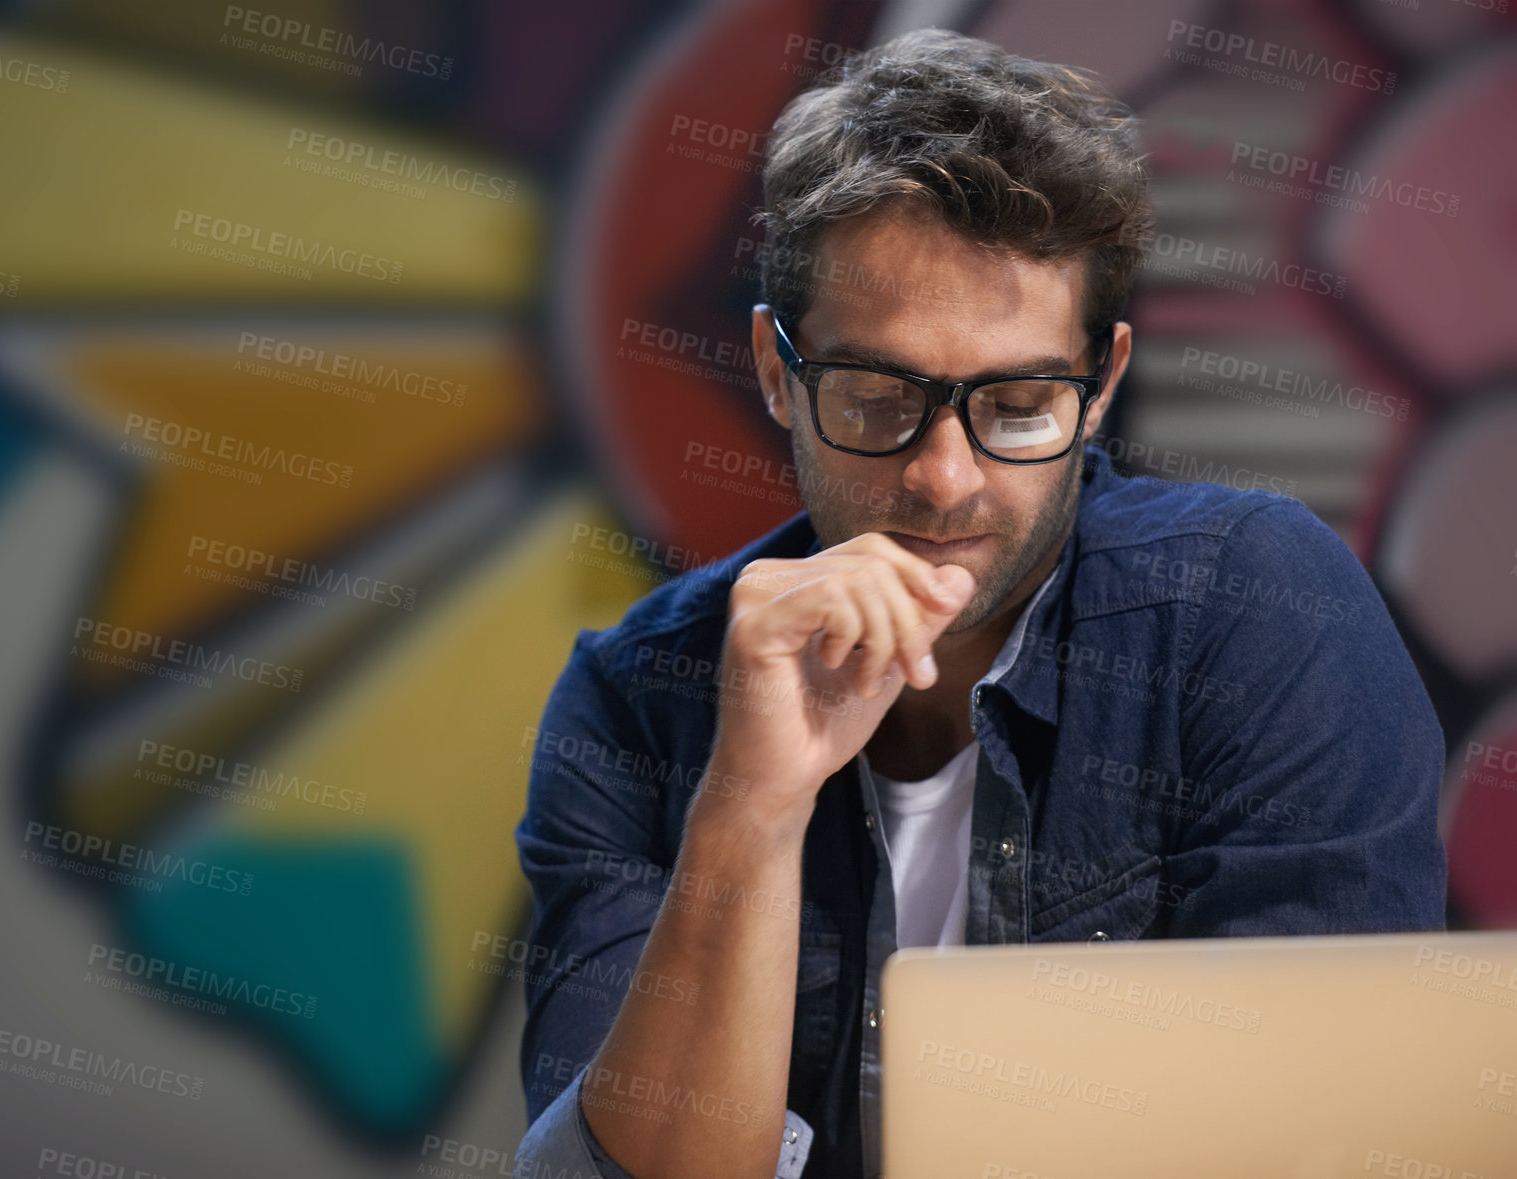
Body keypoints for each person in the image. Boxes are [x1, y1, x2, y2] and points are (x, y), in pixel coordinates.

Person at [511, 28, 1445, 1179]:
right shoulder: (632, 703)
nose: (943, 480)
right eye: (876, 395)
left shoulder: (1253, 613)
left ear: (1098, 386)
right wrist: (751, 805)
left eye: (1015, 405)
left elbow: (1341, 1131)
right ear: (774, 370)